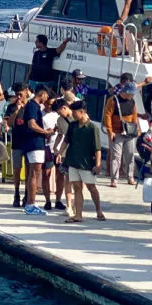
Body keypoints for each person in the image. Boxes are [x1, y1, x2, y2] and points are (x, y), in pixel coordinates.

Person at [57, 101, 104, 222]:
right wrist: (59, 153)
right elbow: (66, 141)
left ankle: (99, 210)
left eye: (74, 112)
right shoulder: (73, 125)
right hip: (73, 160)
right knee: (77, 187)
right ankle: (78, 214)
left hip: (87, 163)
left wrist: (98, 165)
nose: (73, 114)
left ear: (82, 112)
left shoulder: (92, 128)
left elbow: (97, 149)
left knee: (91, 187)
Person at [18, 85, 52, 215]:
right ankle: (31, 204)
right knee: (35, 173)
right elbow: (31, 124)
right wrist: (45, 132)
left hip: (34, 143)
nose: (47, 99)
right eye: (47, 96)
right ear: (42, 94)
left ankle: (31, 203)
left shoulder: (34, 106)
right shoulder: (33, 106)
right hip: (34, 143)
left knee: (33, 173)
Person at [102, 73, 140, 188]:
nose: (133, 96)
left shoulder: (132, 102)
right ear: (127, 92)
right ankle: (114, 179)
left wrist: (136, 128)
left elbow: (134, 116)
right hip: (116, 131)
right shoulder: (113, 100)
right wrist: (110, 131)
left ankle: (130, 176)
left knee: (130, 155)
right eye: (132, 94)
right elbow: (107, 115)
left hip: (129, 132)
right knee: (116, 156)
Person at [51, 98, 73, 212]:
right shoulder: (60, 120)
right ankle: (65, 202)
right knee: (64, 177)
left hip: (78, 152)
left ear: (64, 108)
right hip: (65, 152)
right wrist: (55, 147)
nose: (59, 114)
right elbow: (60, 135)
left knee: (78, 180)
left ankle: (75, 202)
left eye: (59, 112)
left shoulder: (77, 115)